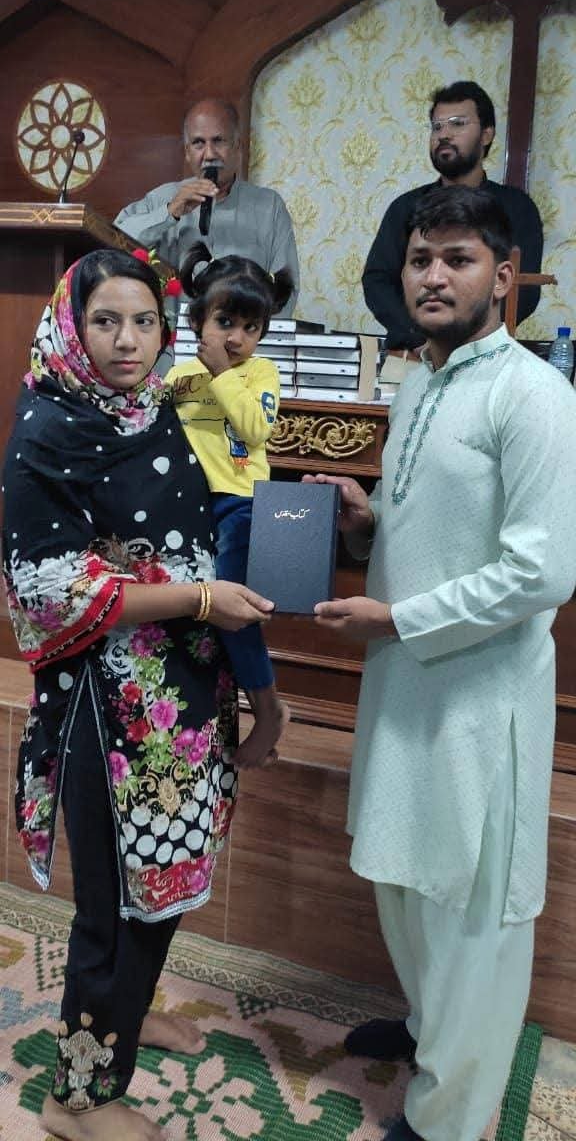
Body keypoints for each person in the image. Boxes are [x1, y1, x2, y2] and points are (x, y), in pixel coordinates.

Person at [305, 186, 576, 1141]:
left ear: (503, 278)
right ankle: (429, 1031)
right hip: (406, 678)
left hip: (480, 698)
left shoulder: (535, 393)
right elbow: (448, 522)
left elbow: (543, 569)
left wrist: (400, 616)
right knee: (405, 875)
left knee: (471, 910)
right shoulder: (418, 382)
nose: (432, 275)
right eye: (421, 258)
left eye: (457, 259)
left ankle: (451, 1118)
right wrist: (371, 521)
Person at [2, 247, 276, 1141]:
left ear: (168, 328)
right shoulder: (48, 425)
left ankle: (123, 1022)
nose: (127, 341)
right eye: (105, 321)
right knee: (110, 906)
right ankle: (77, 1097)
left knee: (167, 878)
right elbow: (49, 585)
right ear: (72, 326)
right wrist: (196, 598)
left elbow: (221, 524)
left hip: (185, 700)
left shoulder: (164, 410)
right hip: (106, 713)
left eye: (144, 321)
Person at [166, 241, 292, 769]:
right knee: (192, 611)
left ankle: (268, 708)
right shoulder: (177, 377)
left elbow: (255, 428)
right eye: (225, 321)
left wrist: (220, 374)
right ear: (198, 320)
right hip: (186, 507)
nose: (236, 337)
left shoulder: (257, 375)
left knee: (234, 614)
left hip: (240, 505)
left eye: (250, 327)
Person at [363, 80, 544, 348]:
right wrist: (422, 335)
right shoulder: (406, 207)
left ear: (486, 134)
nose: (443, 134)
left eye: (457, 123)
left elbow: (523, 289)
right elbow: (378, 281)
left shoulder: (516, 208)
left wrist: (471, 338)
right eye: (437, 126)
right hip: (414, 351)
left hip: (486, 351)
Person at [114, 97, 299, 317]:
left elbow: (285, 288)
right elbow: (114, 242)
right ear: (187, 151)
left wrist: (255, 340)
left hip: (242, 343)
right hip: (172, 343)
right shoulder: (162, 198)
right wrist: (169, 213)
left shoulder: (269, 206)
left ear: (238, 146)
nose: (209, 154)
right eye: (199, 143)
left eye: (219, 141)